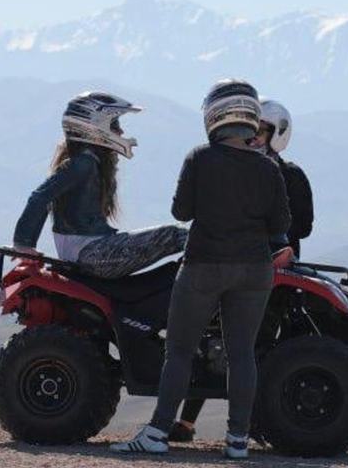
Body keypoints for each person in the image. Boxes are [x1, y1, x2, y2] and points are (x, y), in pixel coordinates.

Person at [110, 79, 291, 458]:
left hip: (204, 266)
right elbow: (280, 226)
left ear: (213, 116)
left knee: (178, 350)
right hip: (254, 270)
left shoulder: (199, 158)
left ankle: (158, 434)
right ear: (251, 117)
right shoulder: (268, 169)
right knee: (242, 353)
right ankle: (238, 441)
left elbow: (182, 212)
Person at [168, 97, 314, 443]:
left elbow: (302, 226)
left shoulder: (288, 174)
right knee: (215, 341)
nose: (255, 138)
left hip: (271, 271)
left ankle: (246, 428)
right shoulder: (244, 167)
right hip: (243, 264)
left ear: (277, 134)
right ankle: (191, 424)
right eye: (252, 130)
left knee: (248, 347)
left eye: (261, 131)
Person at [12, 91, 188, 277]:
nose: (120, 132)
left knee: (178, 235)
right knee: (175, 235)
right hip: (89, 253)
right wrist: (23, 244)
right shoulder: (83, 164)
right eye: (114, 125)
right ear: (94, 127)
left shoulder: (89, 162)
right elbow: (40, 196)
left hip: (90, 249)